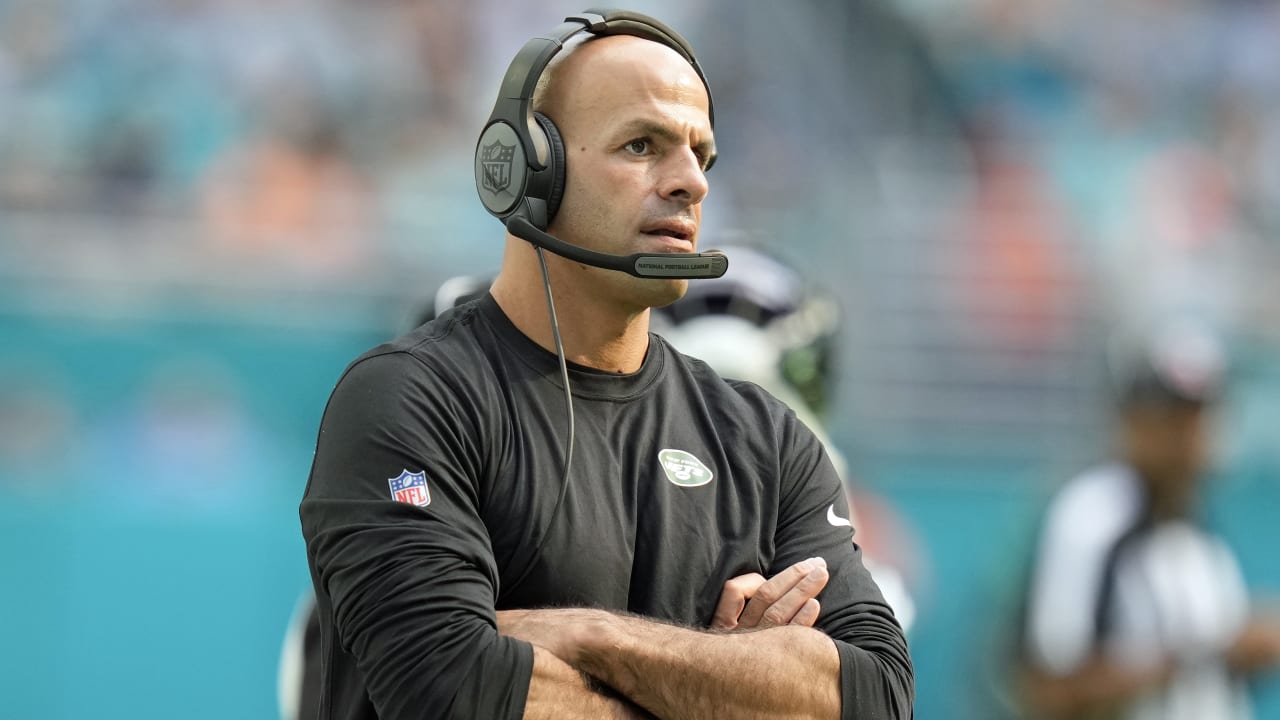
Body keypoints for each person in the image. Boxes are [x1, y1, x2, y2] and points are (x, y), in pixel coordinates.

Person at [299, 9, 912, 720]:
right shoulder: (409, 400)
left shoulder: (768, 440)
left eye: (701, 154)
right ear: (529, 170)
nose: (690, 182)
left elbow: (875, 697)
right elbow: (452, 688)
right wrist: (727, 686)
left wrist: (584, 635)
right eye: (643, 145)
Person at [1016, 322, 1280, 719]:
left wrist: (1244, 657)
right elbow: (1051, 690)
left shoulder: (1202, 536)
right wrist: (1213, 651)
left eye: (1199, 415)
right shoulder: (1093, 519)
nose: (1190, 437)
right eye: (1171, 417)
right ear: (1132, 421)